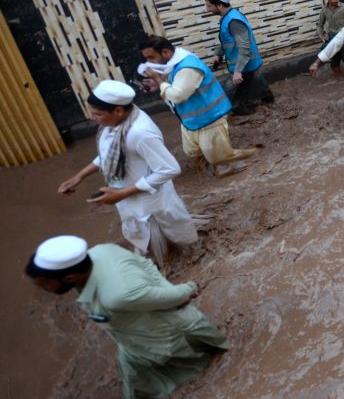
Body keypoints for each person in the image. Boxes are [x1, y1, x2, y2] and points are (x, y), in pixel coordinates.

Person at [25, 235, 229, 398]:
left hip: (163, 340)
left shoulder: (117, 296)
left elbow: (174, 296)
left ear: (70, 278)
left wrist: (187, 289)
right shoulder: (100, 251)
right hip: (131, 341)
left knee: (194, 376)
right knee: (137, 386)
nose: (44, 290)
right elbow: (146, 265)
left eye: (45, 284)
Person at [57, 81, 197, 265]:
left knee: (175, 235)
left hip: (150, 200)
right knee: (139, 232)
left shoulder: (140, 133)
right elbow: (108, 153)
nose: (92, 117)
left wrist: (122, 193)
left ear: (118, 111)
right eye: (91, 111)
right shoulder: (116, 122)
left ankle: (186, 260)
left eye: (97, 114)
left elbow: (170, 169)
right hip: (127, 194)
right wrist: (79, 176)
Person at [138, 36, 255, 175]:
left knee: (218, 157)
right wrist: (159, 84)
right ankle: (213, 165)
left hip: (210, 117)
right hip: (191, 119)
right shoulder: (173, 63)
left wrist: (158, 80)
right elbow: (177, 84)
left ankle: (252, 154)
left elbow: (178, 95)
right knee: (192, 152)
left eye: (151, 58)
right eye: (146, 59)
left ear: (166, 53)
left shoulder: (188, 67)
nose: (149, 63)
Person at [203, 0, 273, 115]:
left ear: (219, 5)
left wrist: (238, 71)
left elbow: (245, 47)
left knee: (234, 95)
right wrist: (218, 54)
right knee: (258, 83)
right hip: (249, 63)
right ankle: (268, 100)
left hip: (245, 64)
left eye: (209, 6)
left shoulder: (234, 21)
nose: (207, 9)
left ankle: (245, 114)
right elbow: (227, 39)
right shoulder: (228, 17)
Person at [315, 0, 344, 77]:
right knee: (334, 67)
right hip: (332, 41)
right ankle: (339, 82)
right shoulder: (324, 10)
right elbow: (320, 25)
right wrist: (320, 34)